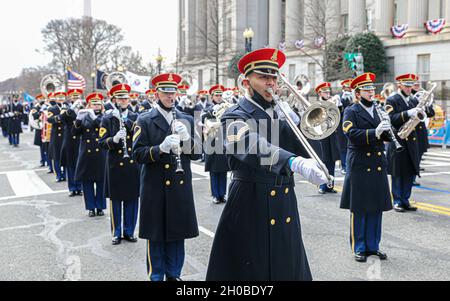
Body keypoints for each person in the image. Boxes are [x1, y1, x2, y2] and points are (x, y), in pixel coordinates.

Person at [206, 48, 329, 281]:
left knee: (286, 267)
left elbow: (313, 152)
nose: (271, 83)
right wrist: (293, 161)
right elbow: (250, 145)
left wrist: (300, 124)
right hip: (250, 201)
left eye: (274, 77)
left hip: (283, 201)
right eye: (263, 77)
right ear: (246, 82)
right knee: (251, 271)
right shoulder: (234, 115)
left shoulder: (280, 112)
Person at [133, 73, 201, 281]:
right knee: (156, 236)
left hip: (179, 187)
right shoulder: (144, 120)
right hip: (155, 186)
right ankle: (156, 276)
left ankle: (174, 275)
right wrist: (160, 149)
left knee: (176, 233)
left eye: (173, 92)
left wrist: (188, 138)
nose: (170, 96)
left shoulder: (187, 119)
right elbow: (137, 154)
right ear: (156, 94)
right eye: (166, 93)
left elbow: (198, 153)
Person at [340, 73, 393, 263]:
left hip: (377, 162)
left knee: (376, 207)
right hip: (360, 163)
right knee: (360, 207)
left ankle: (373, 246)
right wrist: (374, 132)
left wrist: (388, 129)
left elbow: (385, 137)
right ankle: (360, 246)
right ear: (357, 93)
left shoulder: (379, 110)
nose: (371, 92)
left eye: (372, 89)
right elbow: (351, 133)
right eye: (367, 90)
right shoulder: (351, 110)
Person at [385, 73, 433, 213]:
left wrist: (425, 107)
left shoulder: (413, 99)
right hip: (399, 140)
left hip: (412, 141)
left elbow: (427, 115)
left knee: (410, 171)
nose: (409, 88)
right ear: (399, 84)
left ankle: (406, 199)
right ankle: (398, 200)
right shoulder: (391, 99)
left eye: (410, 86)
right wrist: (408, 113)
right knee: (398, 172)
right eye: (406, 86)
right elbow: (392, 118)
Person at [99, 83, 140, 245]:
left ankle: (129, 231)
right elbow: (102, 142)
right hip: (115, 164)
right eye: (120, 98)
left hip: (132, 164)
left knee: (132, 199)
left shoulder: (137, 116)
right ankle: (116, 232)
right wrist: (114, 139)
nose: (123, 100)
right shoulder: (107, 118)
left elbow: (139, 134)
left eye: (125, 98)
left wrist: (127, 122)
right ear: (114, 99)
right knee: (116, 200)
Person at [73, 93, 107, 217]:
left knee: (101, 181)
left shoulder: (105, 116)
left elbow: (104, 127)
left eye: (99, 103)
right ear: (89, 105)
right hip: (86, 152)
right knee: (87, 182)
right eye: (94, 104)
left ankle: (100, 206)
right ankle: (91, 207)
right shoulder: (85, 116)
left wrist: (94, 118)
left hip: (101, 153)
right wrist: (77, 120)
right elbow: (75, 133)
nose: (96, 106)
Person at [201, 84, 230, 204]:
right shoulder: (207, 109)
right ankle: (215, 194)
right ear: (212, 96)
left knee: (223, 169)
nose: (219, 97)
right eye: (216, 95)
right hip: (212, 142)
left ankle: (222, 194)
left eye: (220, 95)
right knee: (214, 170)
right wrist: (214, 112)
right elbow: (203, 119)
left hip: (223, 142)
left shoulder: (227, 107)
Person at [315, 82, 340, 194]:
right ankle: (321, 185)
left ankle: (330, 185)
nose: (328, 94)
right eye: (325, 92)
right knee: (323, 161)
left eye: (329, 92)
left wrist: (338, 106)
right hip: (322, 136)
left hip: (332, 135)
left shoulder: (332, 103)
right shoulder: (316, 104)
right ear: (320, 93)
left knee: (332, 161)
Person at [411, 79, 435, 186]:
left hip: (420, 132)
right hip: (411, 130)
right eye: (414, 84)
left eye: (418, 84)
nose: (417, 86)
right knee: (411, 156)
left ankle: (413, 177)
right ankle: (410, 178)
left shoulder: (422, 96)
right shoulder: (409, 98)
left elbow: (431, 114)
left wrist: (426, 106)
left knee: (419, 155)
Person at [60, 89, 84, 197]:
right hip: (70, 138)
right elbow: (62, 119)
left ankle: (79, 187)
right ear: (70, 97)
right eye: (73, 96)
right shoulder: (66, 107)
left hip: (80, 138)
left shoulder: (83, 107)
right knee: (70, 164)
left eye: (77, 96)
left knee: (80, 164)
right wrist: (71, 109)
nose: (75, 98)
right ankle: (72, 187)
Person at [336, 79, 354, 175]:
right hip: (341, 125)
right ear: (343, 87)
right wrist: (340, 102)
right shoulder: (338, 97)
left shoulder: (354, 96)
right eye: (348, 87)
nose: (350, 89)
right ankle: (344, 166)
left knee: (351, 145)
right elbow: (337, 112)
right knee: (343, 146)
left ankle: (350, 165)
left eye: (351, 87)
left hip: (352, 124)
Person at [47, 92, 66, 182]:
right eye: (59, 97)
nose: (61, 99)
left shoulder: (68, 107)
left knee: (66, 155)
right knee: (56, 155)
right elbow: (49, 119)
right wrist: (59, 117)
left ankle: (65, 174)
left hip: (66, 133)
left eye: (62, 97)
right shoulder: (52, 108)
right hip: (56, 135)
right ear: (56, 99)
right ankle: (58, 174)